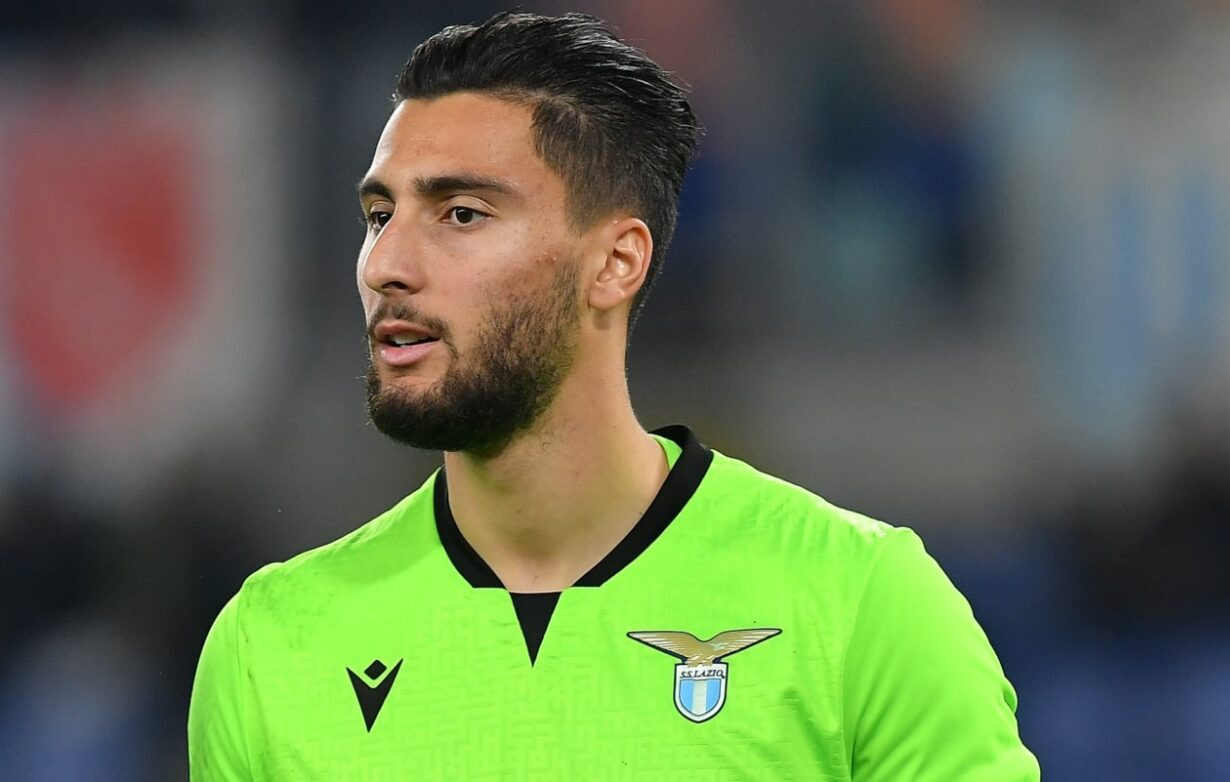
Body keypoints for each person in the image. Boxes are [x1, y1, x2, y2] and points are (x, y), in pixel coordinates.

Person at [189, 11, 1040, 780]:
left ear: (615, 263)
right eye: (381, 217)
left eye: (461, 214)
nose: (385, 266)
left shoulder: (860, 605)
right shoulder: (272, 643)